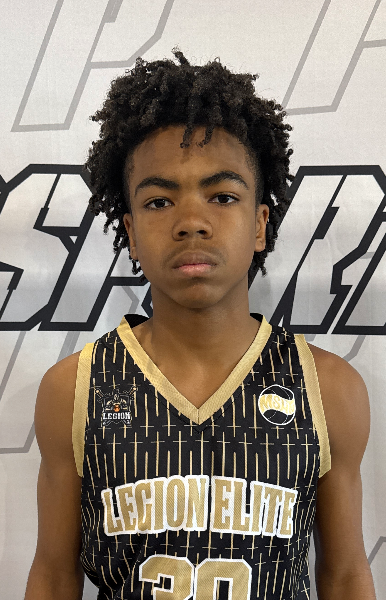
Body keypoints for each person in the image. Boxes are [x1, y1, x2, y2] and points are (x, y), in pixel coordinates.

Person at [24, 48, 376, 599]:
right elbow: (52, 574)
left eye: (222, 196)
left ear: (259, 224)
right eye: (159, 202)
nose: (192, 221)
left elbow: (346, 574)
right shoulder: (75, 389)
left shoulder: (327, 389)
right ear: (130, 232)